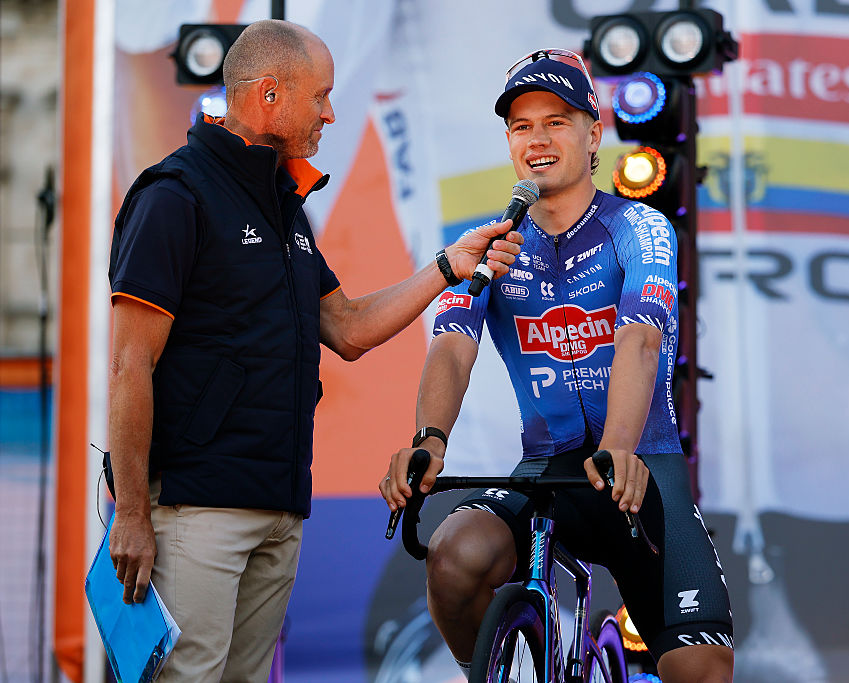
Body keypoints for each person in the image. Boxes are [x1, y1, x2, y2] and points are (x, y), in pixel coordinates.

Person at [105, 19, 522, 682]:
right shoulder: (173, 196)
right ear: (268, 95)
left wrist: (447, 265)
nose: (331, 113)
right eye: (320, 97)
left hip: (280, 507)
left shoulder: (282, 205)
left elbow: (348, 327)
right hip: (193, 508)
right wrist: (130, 512)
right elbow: (129, 365)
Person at [380, 50, 733, 682]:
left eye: (556, 122)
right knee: (454, 558)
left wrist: (619, 445)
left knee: (703, 669)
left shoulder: (640, 226)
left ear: (593, 135)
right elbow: (452, 346)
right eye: (521, 126)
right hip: (548, 470)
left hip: (640, 465)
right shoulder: (490, 244)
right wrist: (429, 440)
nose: (537, 139)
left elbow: (640, 340)